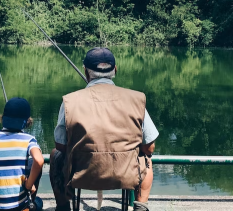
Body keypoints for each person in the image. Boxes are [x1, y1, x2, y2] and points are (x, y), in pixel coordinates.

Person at [50, 48, 159, 211]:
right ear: (115, 70)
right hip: (126, 174)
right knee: (146, 159)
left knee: (55, 156)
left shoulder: (69, 101)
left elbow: (60, 146)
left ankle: (63, 206)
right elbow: (149, 146)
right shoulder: (136, 99)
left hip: (81, 175)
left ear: (85, 71)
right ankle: (140, 207)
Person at [0, 97, 44, 211]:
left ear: (3, 118)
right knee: (39, 203)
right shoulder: (29, 139)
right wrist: (29, 185)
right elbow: (39, 161)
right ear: (27, 121)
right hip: (15, 205)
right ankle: (30, 202)